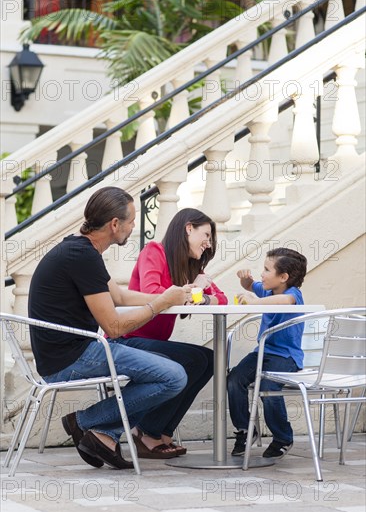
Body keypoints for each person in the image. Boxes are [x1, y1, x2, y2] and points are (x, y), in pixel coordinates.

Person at [28, 186, 192, 470]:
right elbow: (114, 326)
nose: (133, 227)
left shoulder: (80, 248)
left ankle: (105, 433)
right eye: (131, 220)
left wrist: (169, 296)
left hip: (70, 352)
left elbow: (120, 297)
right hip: (71, 358)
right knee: (174, 376)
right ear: (115, 224)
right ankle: (84, 422)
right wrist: (161, 304)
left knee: (166, 367)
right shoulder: (82, 256)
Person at [117, 208, 228, 458]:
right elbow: (154, 291)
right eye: (206, 235)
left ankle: (160, 433)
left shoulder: (189, 268)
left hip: (152, 343)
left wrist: (201, 295)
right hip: (127, 340)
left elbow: (222, 298)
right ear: (189, 228)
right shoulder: (154, 252)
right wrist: (194, 289)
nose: (208, 244)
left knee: (209, 360)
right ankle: (148, 433)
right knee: (193, 360)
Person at [227, 247, 307, 459]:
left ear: (283, 277)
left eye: (266, 269)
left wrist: (254, 302)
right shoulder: (269, 290)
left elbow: (285, 302)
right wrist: (246, 281)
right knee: (234, 379)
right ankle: (246, 430)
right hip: (262, 353)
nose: (262, 274)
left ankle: (282, 437)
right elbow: (252, 286)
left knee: (268, 387)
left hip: (286, 358)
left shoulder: (293, 295)